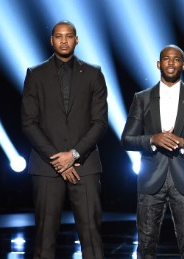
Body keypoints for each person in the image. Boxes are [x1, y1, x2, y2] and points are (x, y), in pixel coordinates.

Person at [121, 45, 184, 258]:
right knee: (146, 244)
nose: (171, 63)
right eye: (166, 59)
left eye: (176, 60)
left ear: (183, 65)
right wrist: (152, 139)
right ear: (159, 63)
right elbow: (126, 139)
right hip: (150, 178)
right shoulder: (142, 98)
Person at [21, 20, 108, 258]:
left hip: (85, 166)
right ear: (51, 40)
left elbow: (100, 122)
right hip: (46, 168)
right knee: (45, 239)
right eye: (58, 36)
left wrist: (74, 155)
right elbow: (29, 122)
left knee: (91, 236)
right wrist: (57, 160)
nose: (63, 40)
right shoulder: (35, 74)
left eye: (68, 36)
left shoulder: (93, 73)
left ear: (76, 39)